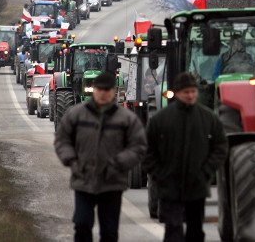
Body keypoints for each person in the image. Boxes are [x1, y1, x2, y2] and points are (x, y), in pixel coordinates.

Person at [54, 71, 147, 242]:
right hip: (83, 180)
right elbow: (62, 140)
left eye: (107, 90)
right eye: (100, 89)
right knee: (82, 225)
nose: (103, 93)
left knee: (109, 232)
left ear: (114, 91)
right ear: (93, 90)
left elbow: (138, 146)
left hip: (112, 183)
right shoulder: (76, 114)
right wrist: (72, 160)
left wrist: (119, 163)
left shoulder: (126, 118)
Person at [144, 72, 227, 242]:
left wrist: (206, 171)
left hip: (197, 185)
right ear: (177, 93)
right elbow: (146, 150)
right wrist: (159, 174)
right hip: (169, 186)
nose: (190, 95)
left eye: (193, 91)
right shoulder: (160, 120)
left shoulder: (208, 118)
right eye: (186, 92)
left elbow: (220, 146)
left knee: (195, 230)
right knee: (173, 230)